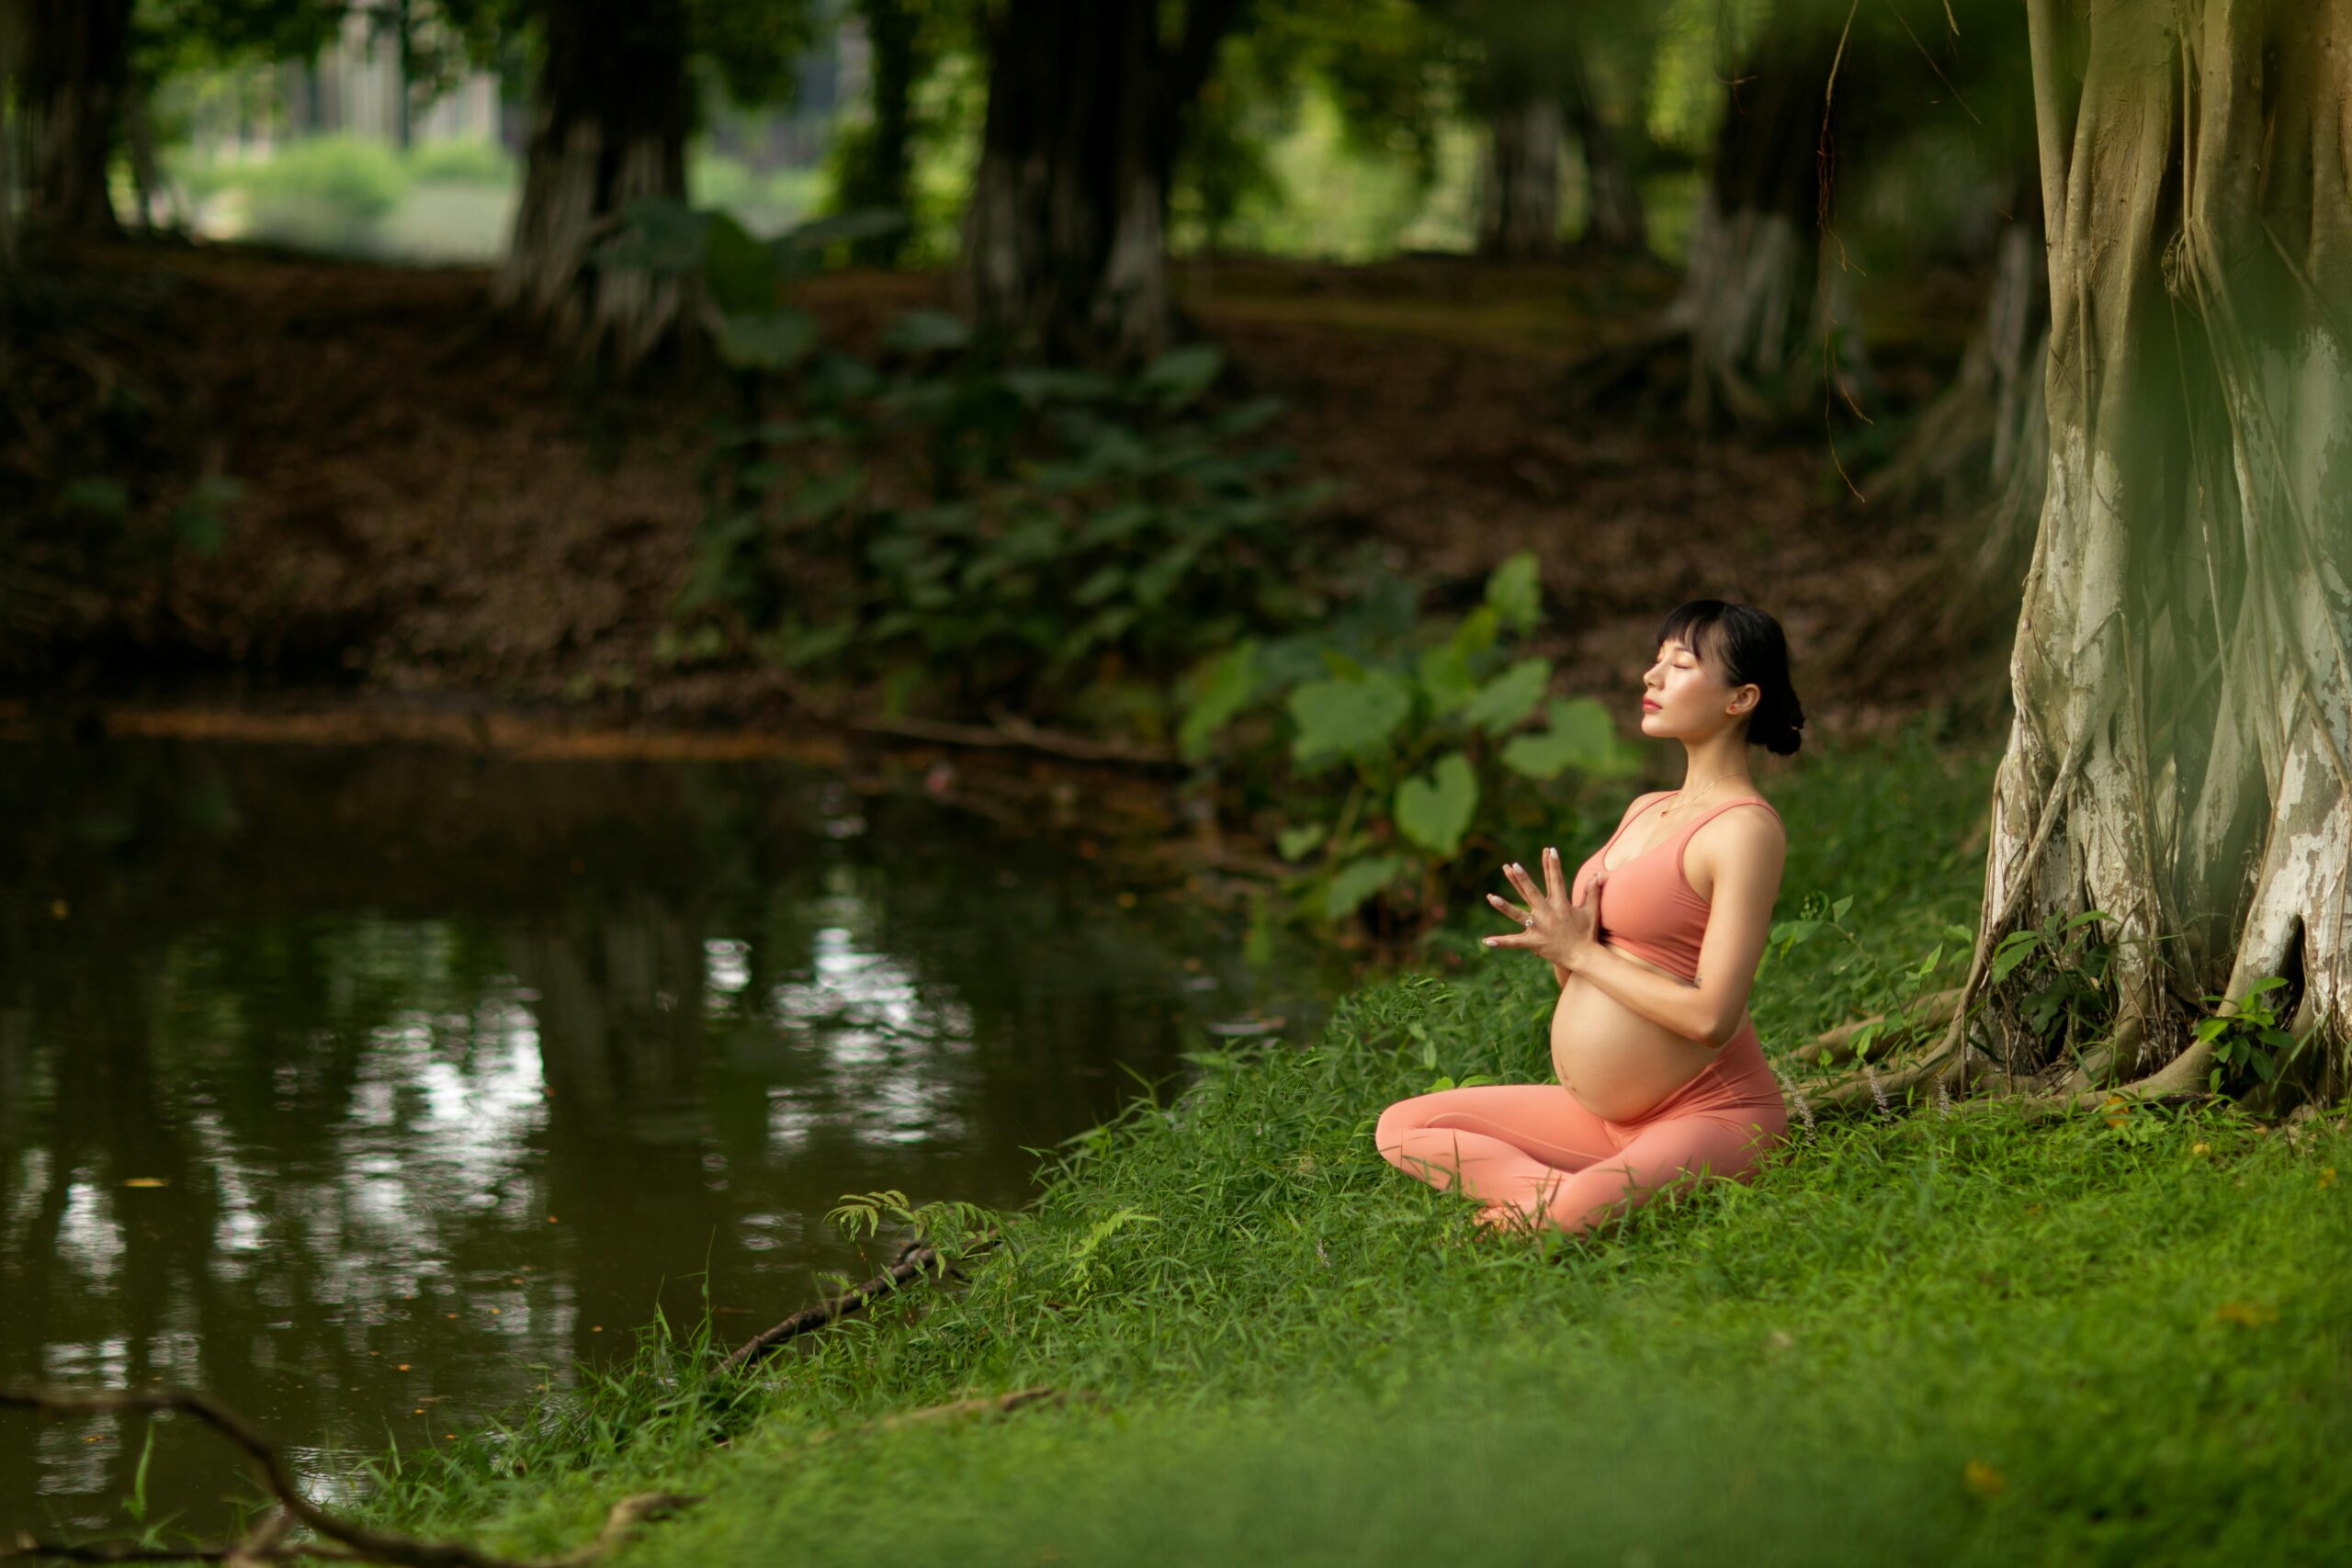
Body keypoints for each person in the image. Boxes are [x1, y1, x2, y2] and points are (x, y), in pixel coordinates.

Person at [1374, 599, 1805, 1236]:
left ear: (1740, 699)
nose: (1650, 678)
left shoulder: (1744, 829)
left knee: (1572, 1217)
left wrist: (1582, 953)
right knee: (1402, 1127)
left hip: (1713, 1113)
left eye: (1679, 665)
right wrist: (1562, 948)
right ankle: (1557, 1197)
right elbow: (1588, 975)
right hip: (1607, 1121)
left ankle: (1560, 1207)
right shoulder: (1643, 807)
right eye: (1656, 661)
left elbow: (1713, 1016)